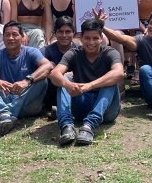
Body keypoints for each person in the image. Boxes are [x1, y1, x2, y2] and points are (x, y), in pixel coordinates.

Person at [49, 18, 124, 146]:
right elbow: (54, 74)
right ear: (81, 38)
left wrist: (90, 85)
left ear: (101, 39)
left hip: (107, 110)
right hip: (81, 106)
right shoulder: (74, 53)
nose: (91, 42)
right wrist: (68, 84)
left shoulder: (110, 52)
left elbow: (119, 73)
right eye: (87, 38)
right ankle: (66, 125)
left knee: (110, 80)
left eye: (95, 38)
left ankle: (89, 126)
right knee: (64, 80)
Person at [0, 21, 54, 135]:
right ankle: (6, 116)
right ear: (3, 38)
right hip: (7, 97)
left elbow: (48, 66)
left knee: (41, 78)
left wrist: (27, 81)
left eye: (15, 34)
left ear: (22, 37)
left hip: (29, 105)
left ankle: (1, 115)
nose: (11, 38)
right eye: (7, 35)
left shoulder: (31, 52)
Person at [43, 15, 78, 114]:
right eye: (60, 32)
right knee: (48, 65)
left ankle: (62, 110)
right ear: (55, 33)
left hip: (74, 92)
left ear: (73, 33)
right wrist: (59, 76)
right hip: (52, 94)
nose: (64, 35)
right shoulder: (46, 51)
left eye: (68, 32)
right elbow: (36, 69)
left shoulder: (80, 50)